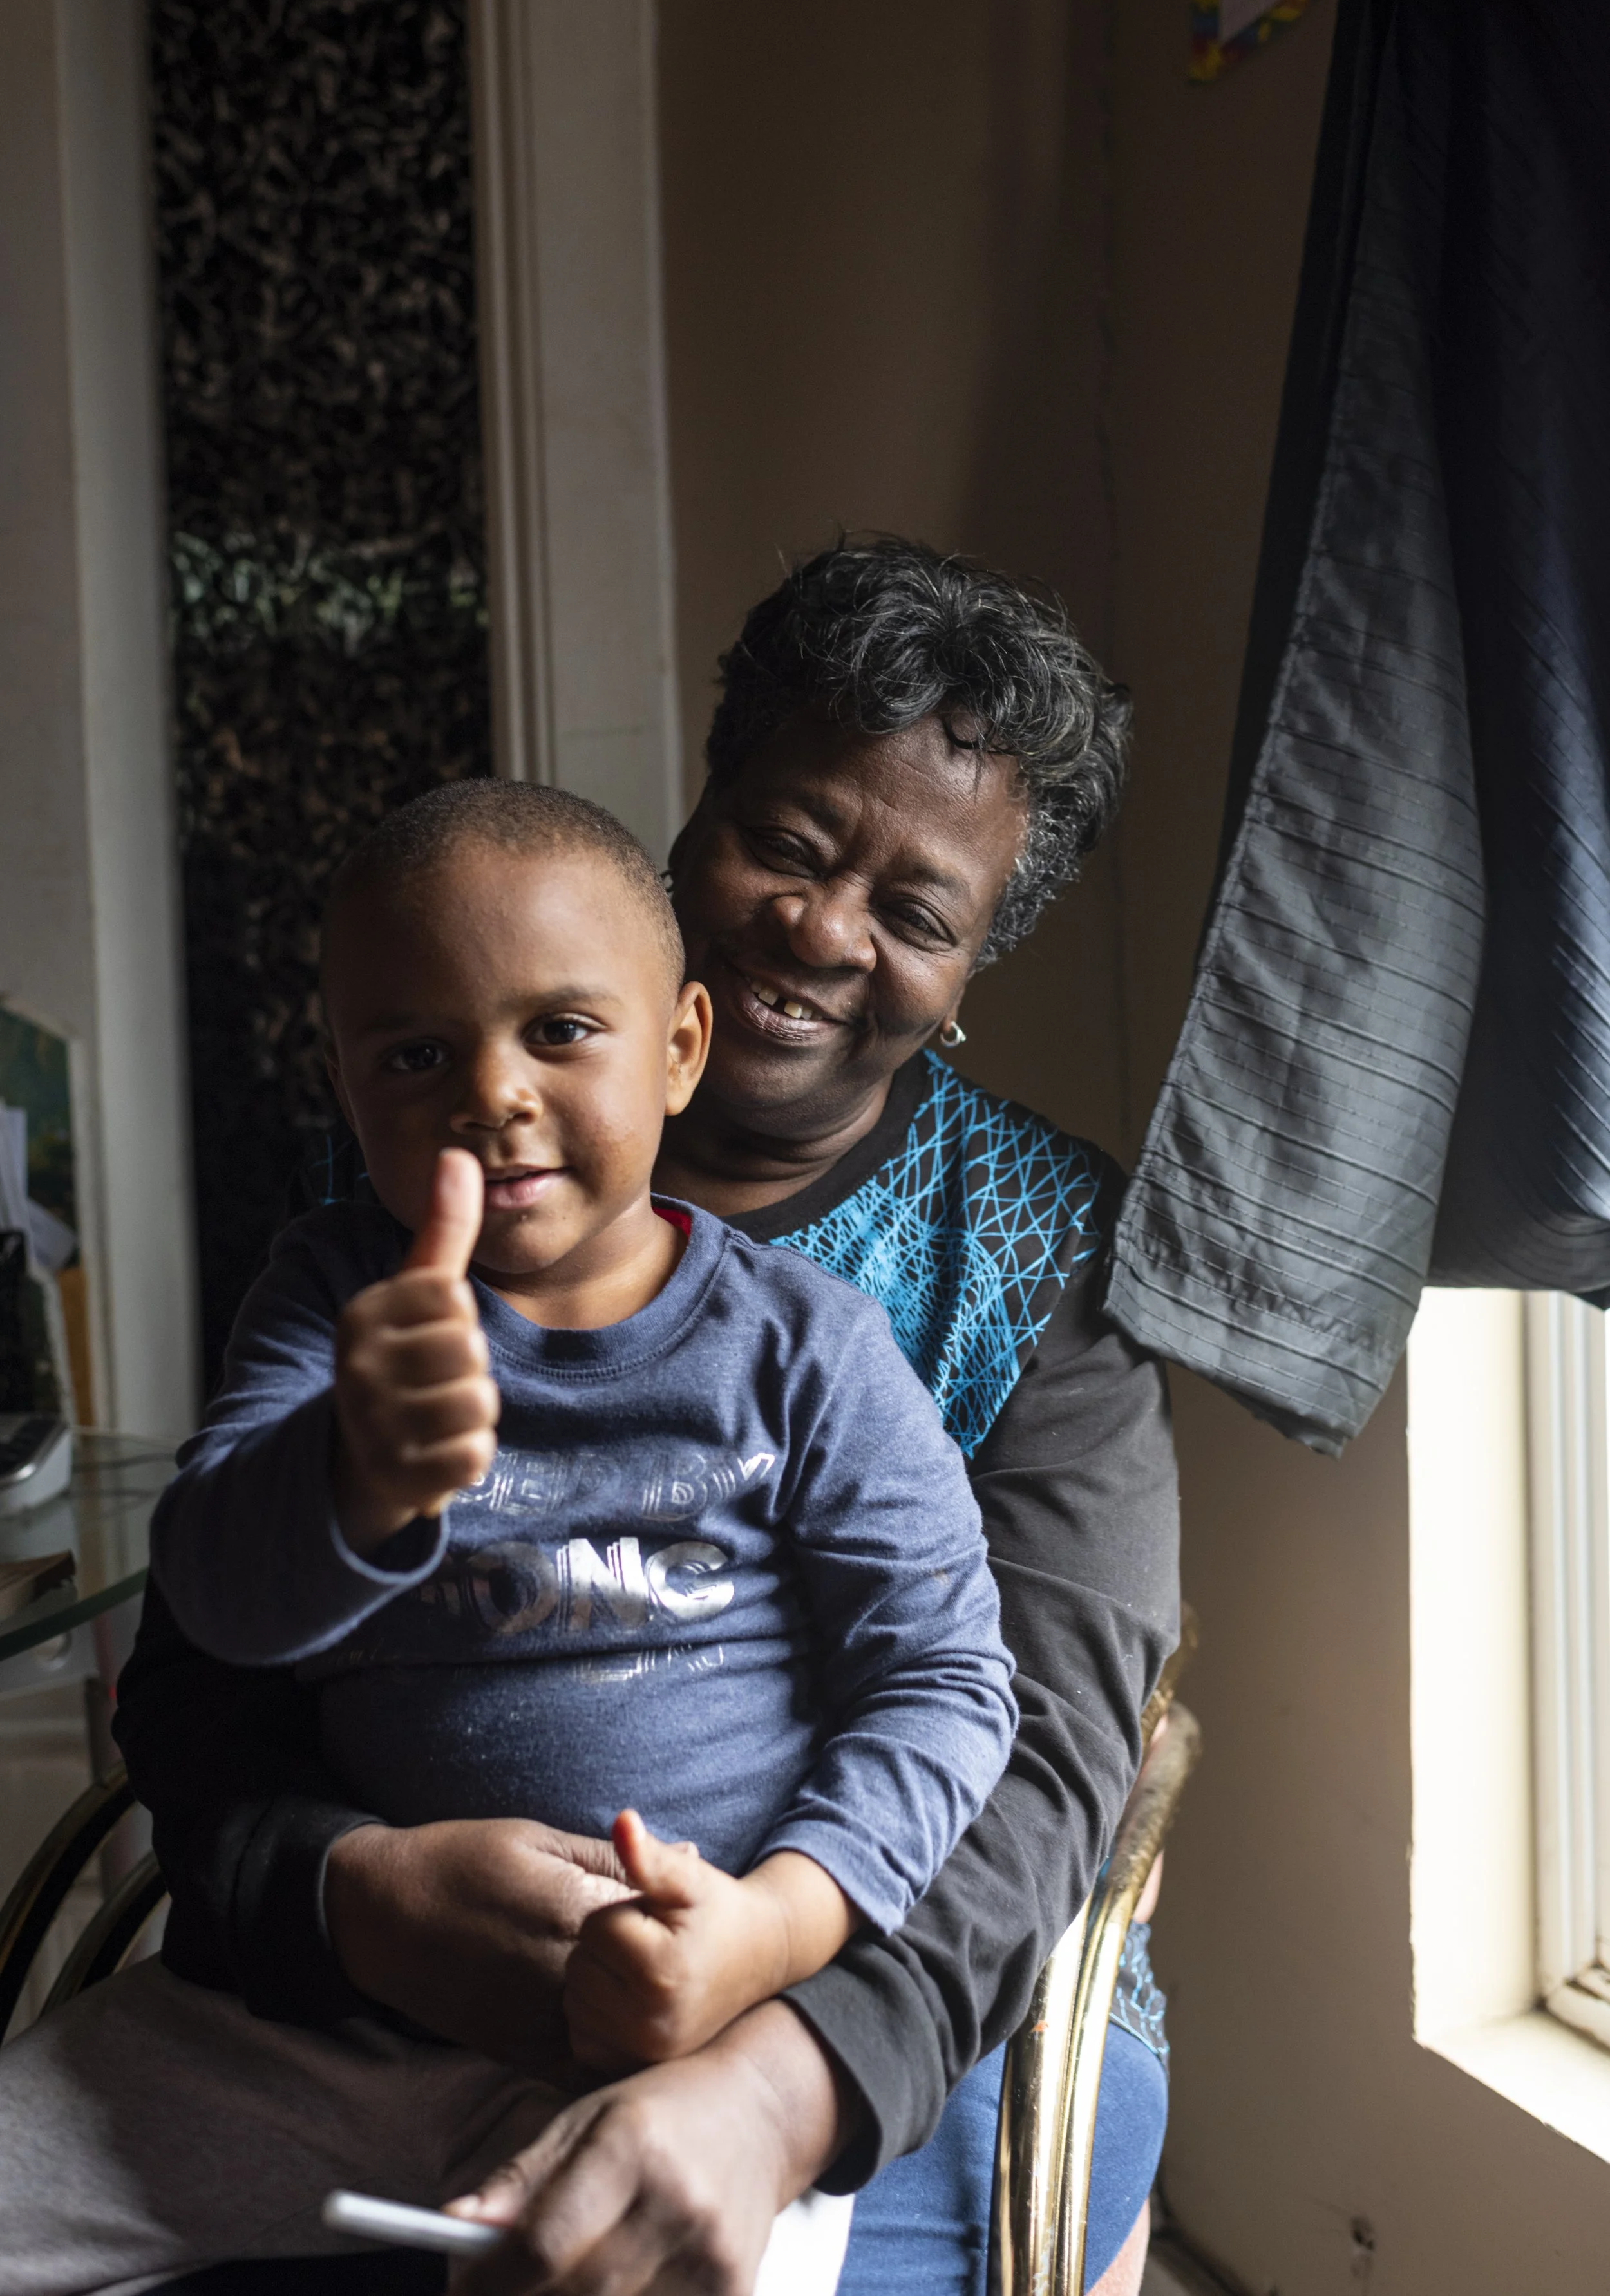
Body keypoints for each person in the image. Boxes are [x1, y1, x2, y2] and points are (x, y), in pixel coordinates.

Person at [113, 537, 1178, 2296]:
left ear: (969, 968)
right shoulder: (420, 1180)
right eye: (789, 841)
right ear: (697, 821)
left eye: (913, 913)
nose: (823, 931)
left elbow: (1041, 1754)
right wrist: (347, 1893)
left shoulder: (1042, 1245)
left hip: (907, 1997)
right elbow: (202, 1668)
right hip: (394, 2000)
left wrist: (775, 2079)